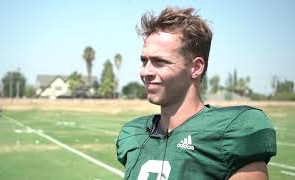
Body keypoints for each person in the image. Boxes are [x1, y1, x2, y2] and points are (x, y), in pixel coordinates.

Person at [116, 6, 276, 180]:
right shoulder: (133, 133)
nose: (145, 72)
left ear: (196, 67)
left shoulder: (230, 133)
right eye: (144, 61)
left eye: (159, 61)